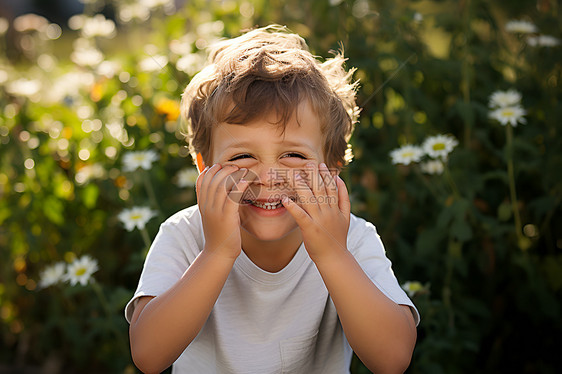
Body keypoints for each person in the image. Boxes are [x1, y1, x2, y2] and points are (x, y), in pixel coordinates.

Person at [125, 24, 419, 374]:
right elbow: (148, 355)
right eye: (240, 157)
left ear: (333, 165)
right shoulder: (186, 235)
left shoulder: (351, 239)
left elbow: (394, 358)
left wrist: (332, 254)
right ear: (204, 167)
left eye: (293, 155)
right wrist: (217, 252)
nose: (267, 178)